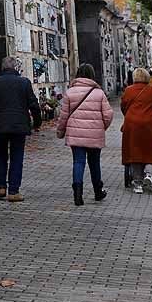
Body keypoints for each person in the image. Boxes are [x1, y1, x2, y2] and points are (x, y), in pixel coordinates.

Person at [0, 57, 42, 202]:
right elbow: (33, 104)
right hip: (19, 126)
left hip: (0, 126)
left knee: (1, 156)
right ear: (16, 68)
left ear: (3, 67)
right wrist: (37, 122)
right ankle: (13, 191)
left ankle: (1, 187)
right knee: (16, 157)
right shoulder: (24, 82)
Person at [57, 64, 114, 206]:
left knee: (78, 162)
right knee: (94, 163)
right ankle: (98, 192)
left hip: (75, 134)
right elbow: (108, 115)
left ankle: (77, 194)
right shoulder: (99, 93)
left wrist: (60, 132)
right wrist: (101, 127)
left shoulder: (70, 92)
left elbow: (63, 116)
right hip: (95, 134)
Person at [121, 68, 152, 194]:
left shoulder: (128, 90)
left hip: (132, 124)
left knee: (134, 151)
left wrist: (129, 116)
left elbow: (123, 106)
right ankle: (149, 175)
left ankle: (137, 183)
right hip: (150, 124)